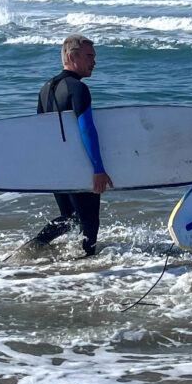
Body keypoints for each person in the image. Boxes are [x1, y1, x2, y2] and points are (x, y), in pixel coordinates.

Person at [27, 34, 113, 256]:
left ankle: (34, 246)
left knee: (69, 218)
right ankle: (86, 268)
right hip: (78, 165)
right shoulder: (77, 88)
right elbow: (87, 129)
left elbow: (40, 132)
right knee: (89, 223)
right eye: (89, 56)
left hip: (57, 166)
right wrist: (98, 169)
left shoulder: (46, 88)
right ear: (72, 56)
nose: (94, 62)